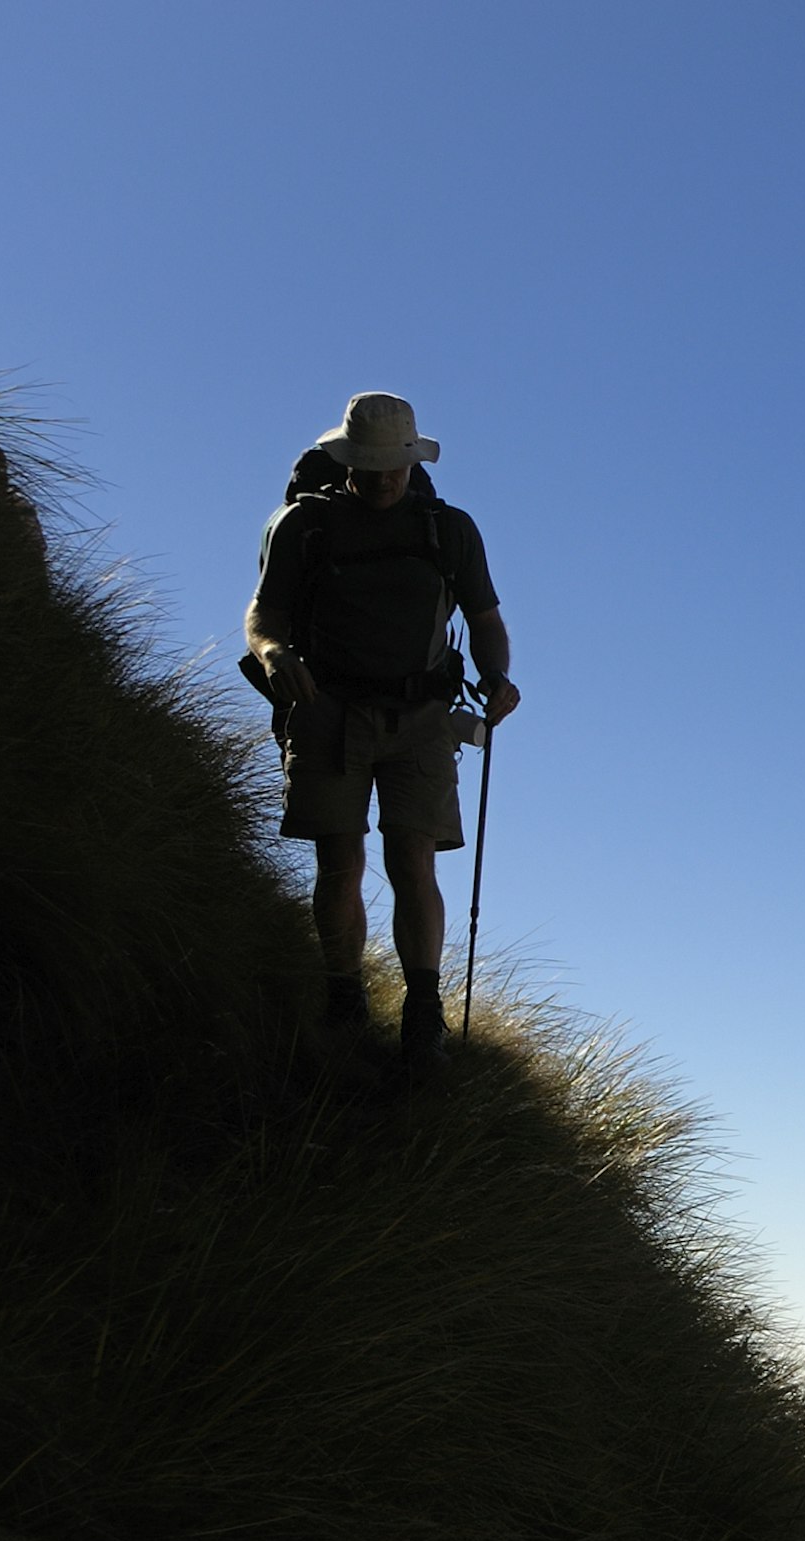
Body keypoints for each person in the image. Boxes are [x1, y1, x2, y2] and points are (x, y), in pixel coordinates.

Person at [244, 392, 518, 1074]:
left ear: (411, 460)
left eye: (394, 466)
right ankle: (346, 1003)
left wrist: (498, 678)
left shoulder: (447, 529)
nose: (384, 479)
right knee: (341, 861)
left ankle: (421, 1023)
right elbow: (265, 613)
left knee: (411, 862)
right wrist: (275, 655)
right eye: (371, 467)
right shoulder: (304, 526)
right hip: (330, 707)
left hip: (422, 716)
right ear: (347, 463)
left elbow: (485, 619)